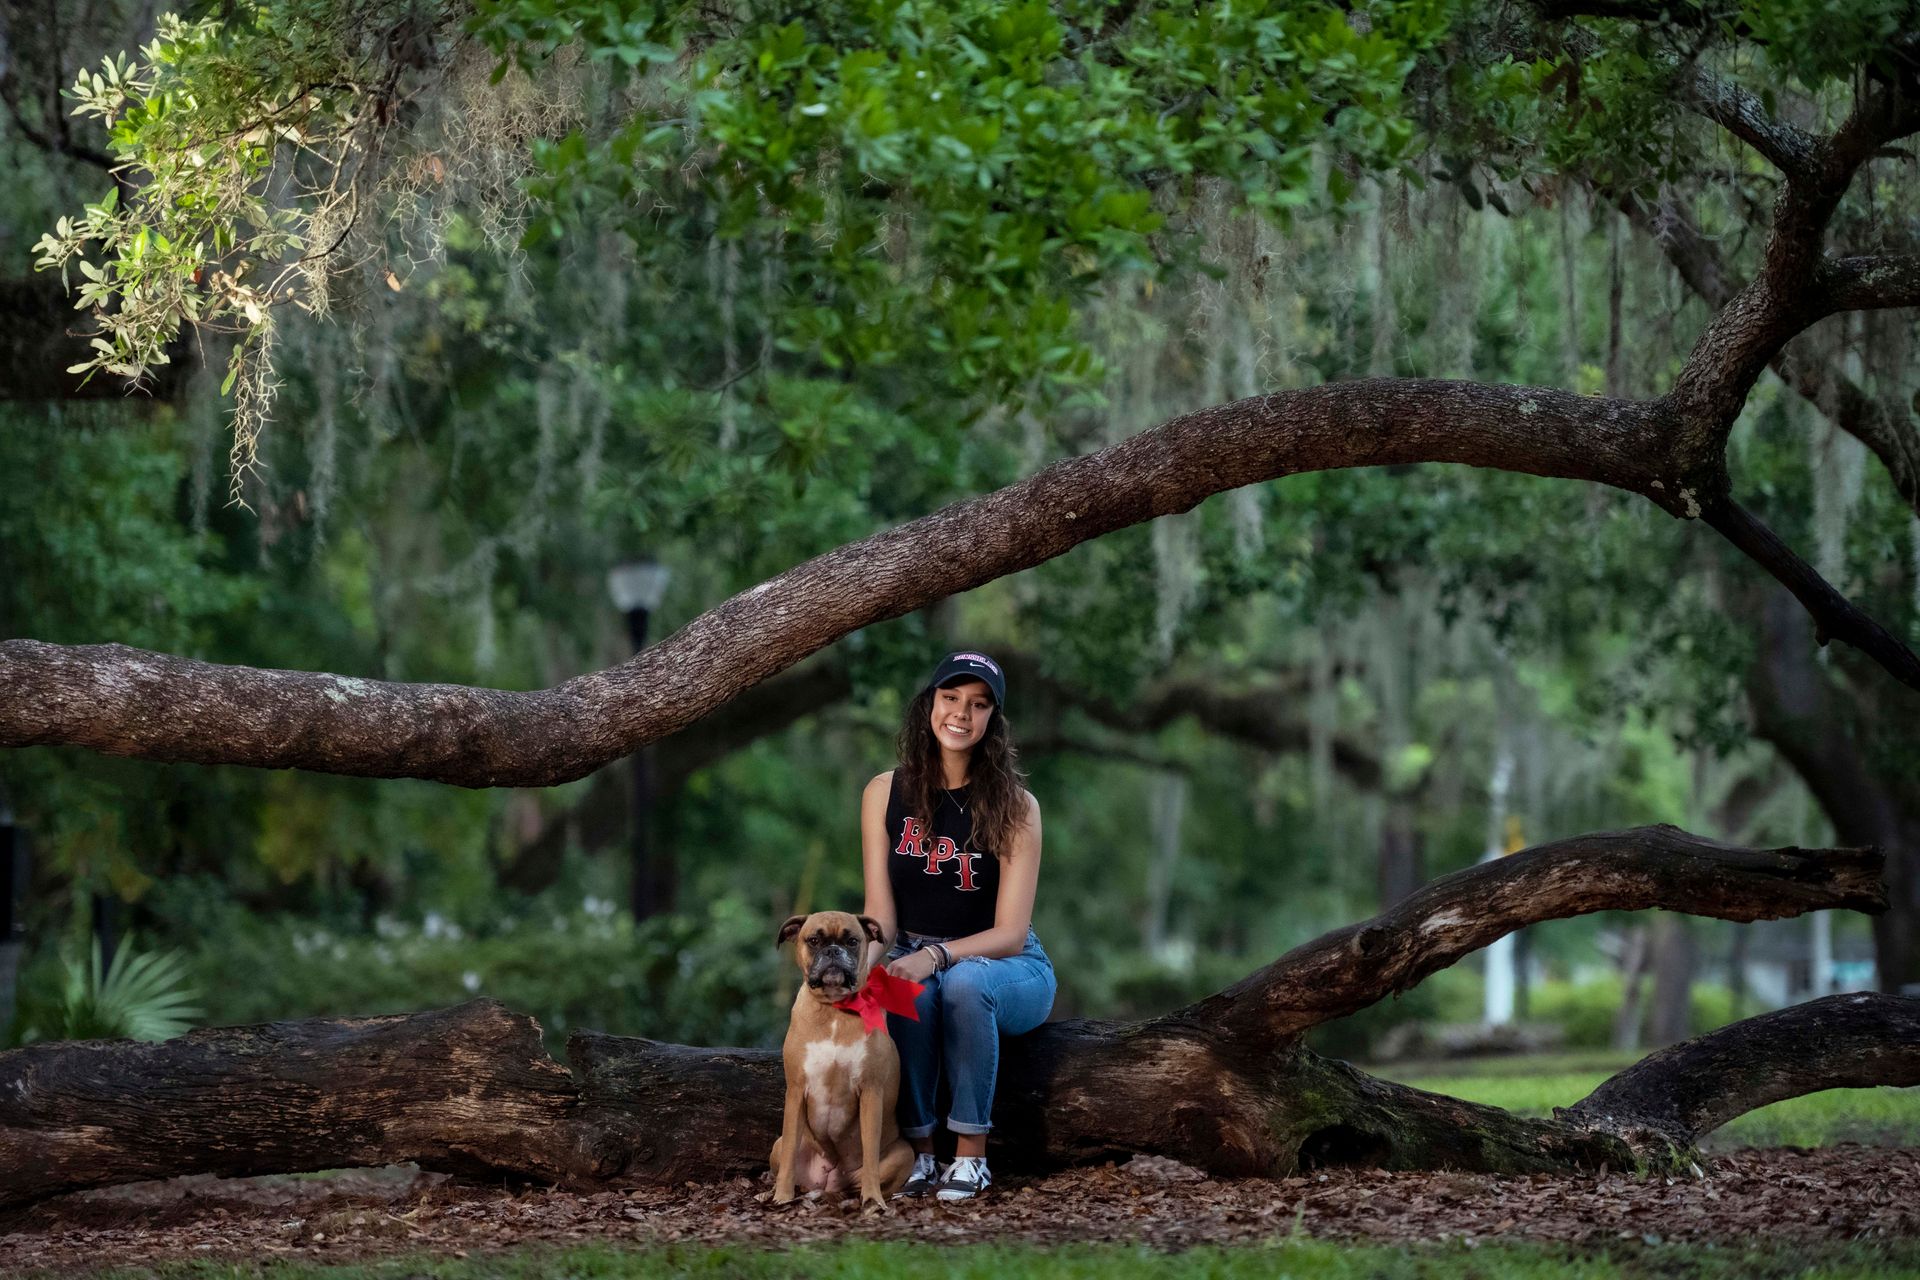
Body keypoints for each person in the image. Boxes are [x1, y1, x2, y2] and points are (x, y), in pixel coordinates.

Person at [859, 650, 1055, 1202]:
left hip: (1008, 967)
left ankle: (970, 1158)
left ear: (993, 720)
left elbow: (1011, 932)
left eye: (978, 704)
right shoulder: (884, 792)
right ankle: (919, 1155)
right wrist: (857, 979)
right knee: (907, 991)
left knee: (963, 985)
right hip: (916, 955)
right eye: (950, 698)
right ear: (929, 705)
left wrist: (938, 957)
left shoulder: (1017, 806)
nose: (961, 714)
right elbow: (881, 917)